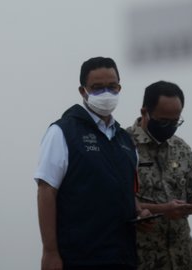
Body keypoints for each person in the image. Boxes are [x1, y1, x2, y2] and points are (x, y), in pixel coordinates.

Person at [34, 57, 149, 270]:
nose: (106, 93)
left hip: (124, 257)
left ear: (119, 87)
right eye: (97, 88)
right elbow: (46, 191)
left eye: (112, 87)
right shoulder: (62, 132)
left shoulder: (125, 140)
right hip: (80, 258)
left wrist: (141, 213)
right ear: (83, 91)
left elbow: (128, 194)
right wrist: (50, 252)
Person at [126, 81, 192, 270]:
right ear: (144, 112)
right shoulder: (122, 146)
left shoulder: (181, 148)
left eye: (175, 122)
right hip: (143, 259)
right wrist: (163, 209)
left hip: (184, 258)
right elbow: (114, 205)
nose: (169, 127)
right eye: (163, 121)